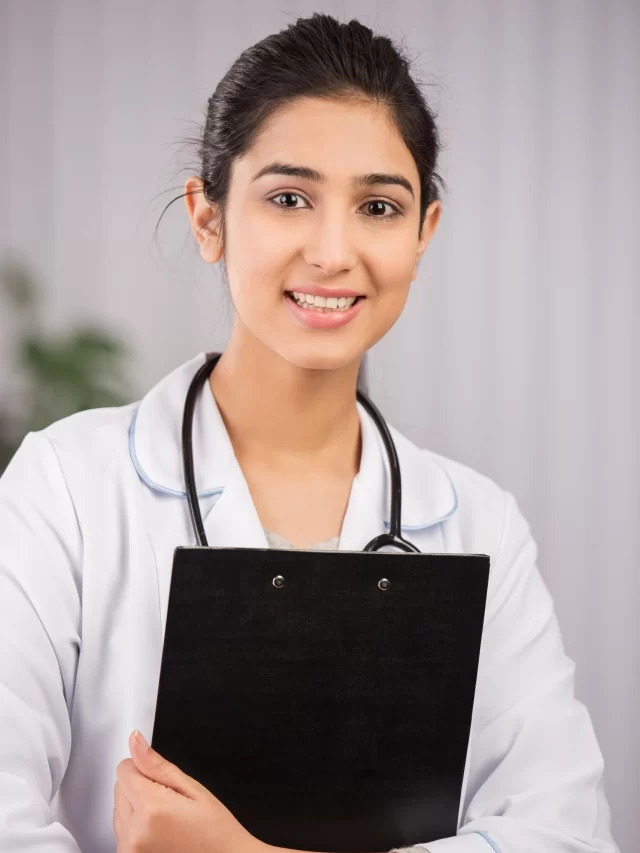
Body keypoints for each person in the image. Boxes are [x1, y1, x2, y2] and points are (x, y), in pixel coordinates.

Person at [0, 12, 618, 853]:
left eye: (378, 206)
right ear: (208, 216)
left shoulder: (481, 527)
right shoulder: (65, 491)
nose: (334, 251)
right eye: (289, 197)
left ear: (423, 231)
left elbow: (565, 839)